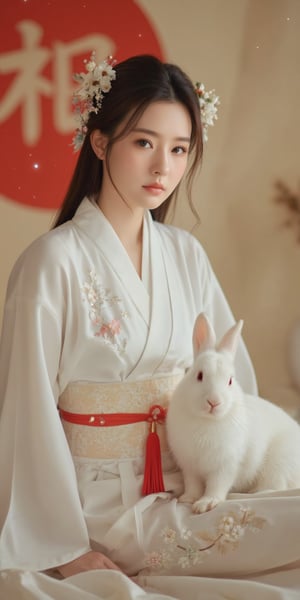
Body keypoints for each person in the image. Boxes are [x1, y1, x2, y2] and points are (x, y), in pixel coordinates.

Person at [0, 53, 299, 600]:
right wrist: (65, 549)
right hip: (103, 507)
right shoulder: (51, 263)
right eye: (144, 143)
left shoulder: (185, 253)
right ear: (98, 142)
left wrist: (243, 479)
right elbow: (24, 413)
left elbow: (234, 385)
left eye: (179, 149)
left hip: (189, 485)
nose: (163, 166)